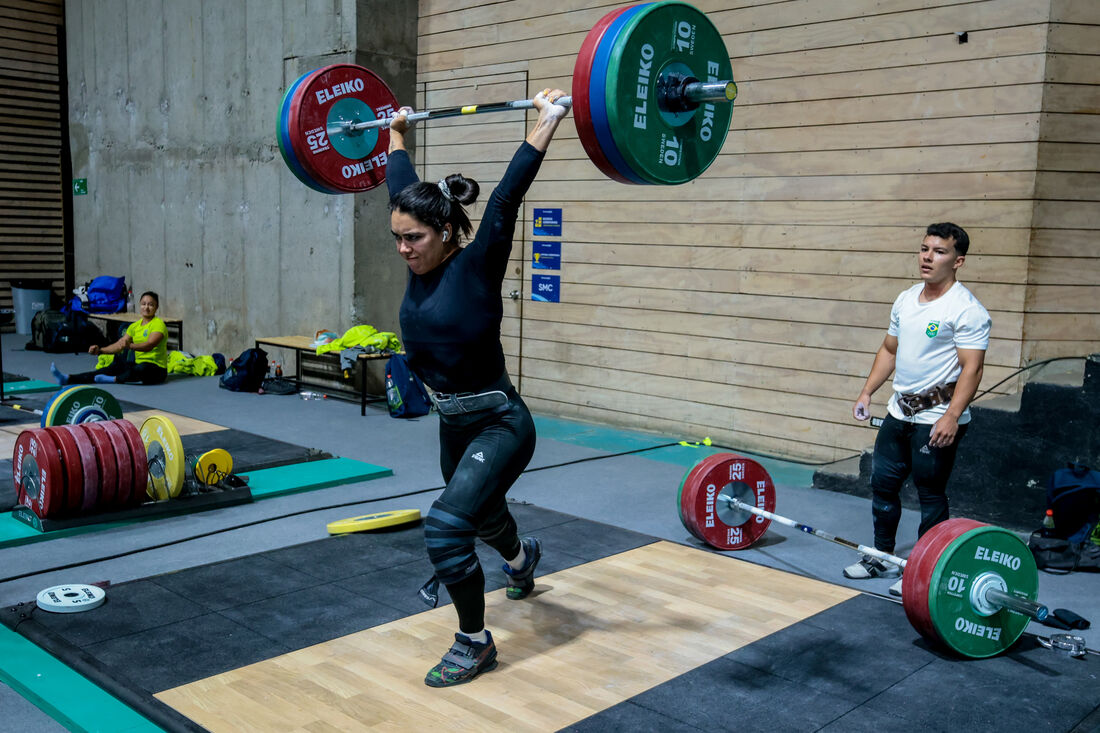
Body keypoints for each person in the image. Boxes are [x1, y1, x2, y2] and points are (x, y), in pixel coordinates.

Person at [385, 89, 570, 687]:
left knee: (445, 527)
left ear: (443, 231)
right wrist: (396, 133)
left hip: (500, 424)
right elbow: (400, 183)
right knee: (484, 514)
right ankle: (522, 561)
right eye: (397, 237)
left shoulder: (477, 262)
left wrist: (548, 120)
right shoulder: (417, 249)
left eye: (411, 237)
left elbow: (508, 196)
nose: (402, 248)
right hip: (453, 425)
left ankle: (474, 642)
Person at [847, 223, 991, 596]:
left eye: (939, 251)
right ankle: (880, 554)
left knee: (929, 495)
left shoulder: (967, 310)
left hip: (937, 417)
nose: (928, 257)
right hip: (900, 413)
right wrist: (867, 392)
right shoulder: (906, 298)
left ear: (958, 261)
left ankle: (923, 571)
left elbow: (972, 368)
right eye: (924, 249)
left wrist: (952, 416)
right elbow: (889, 350)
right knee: (883, 486)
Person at [50, 291, 169, 386]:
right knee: (110, 368)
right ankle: (68, 379)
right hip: (137, 364)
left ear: (156, 307)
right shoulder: (134, 326)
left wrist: (130, 346)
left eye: (150, 304)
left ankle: (114, 379)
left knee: (142, 368)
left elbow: (150, 345)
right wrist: (100, 350)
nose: (146, 307)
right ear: (140, 305)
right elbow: (119, 345)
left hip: (156, 369)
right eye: (144, 304)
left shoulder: (158, 324)